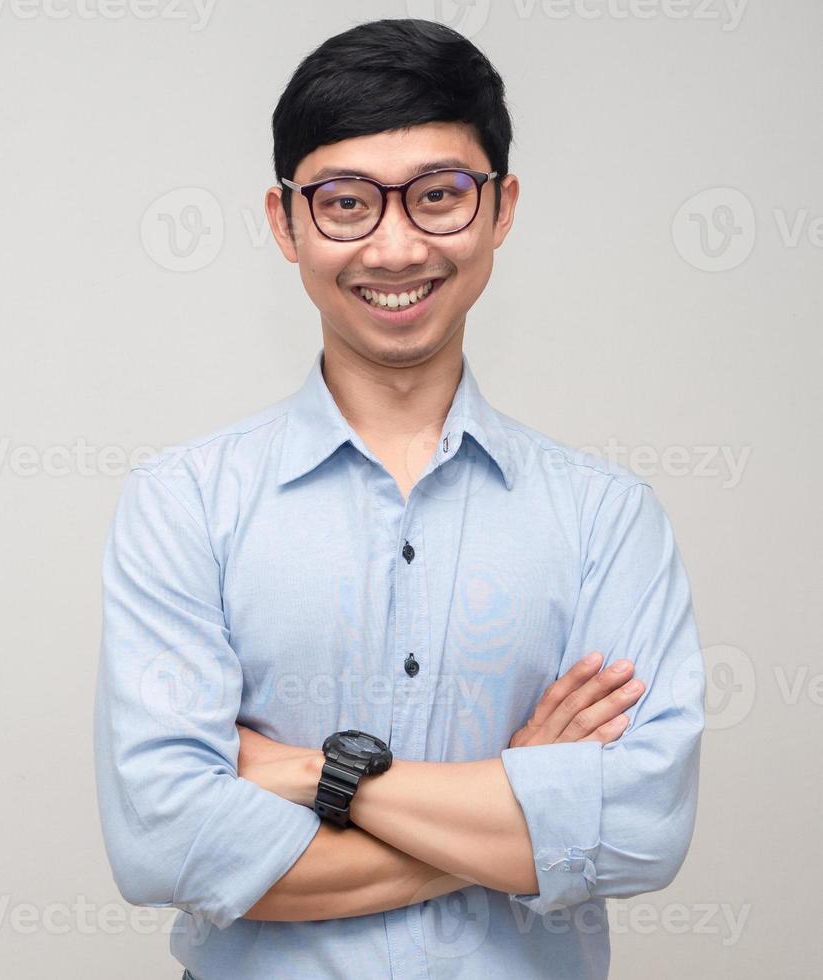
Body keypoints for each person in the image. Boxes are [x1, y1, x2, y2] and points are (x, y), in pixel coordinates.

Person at [92, 18, 704, 979]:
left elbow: (635, 830)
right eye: (344, 203)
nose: (393, 246)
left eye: (437, 196)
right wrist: (517, 801)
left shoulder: (605, 519)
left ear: (500, 208)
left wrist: (305, 774)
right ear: (283, 220)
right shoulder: (184, 505)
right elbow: (166, 843)